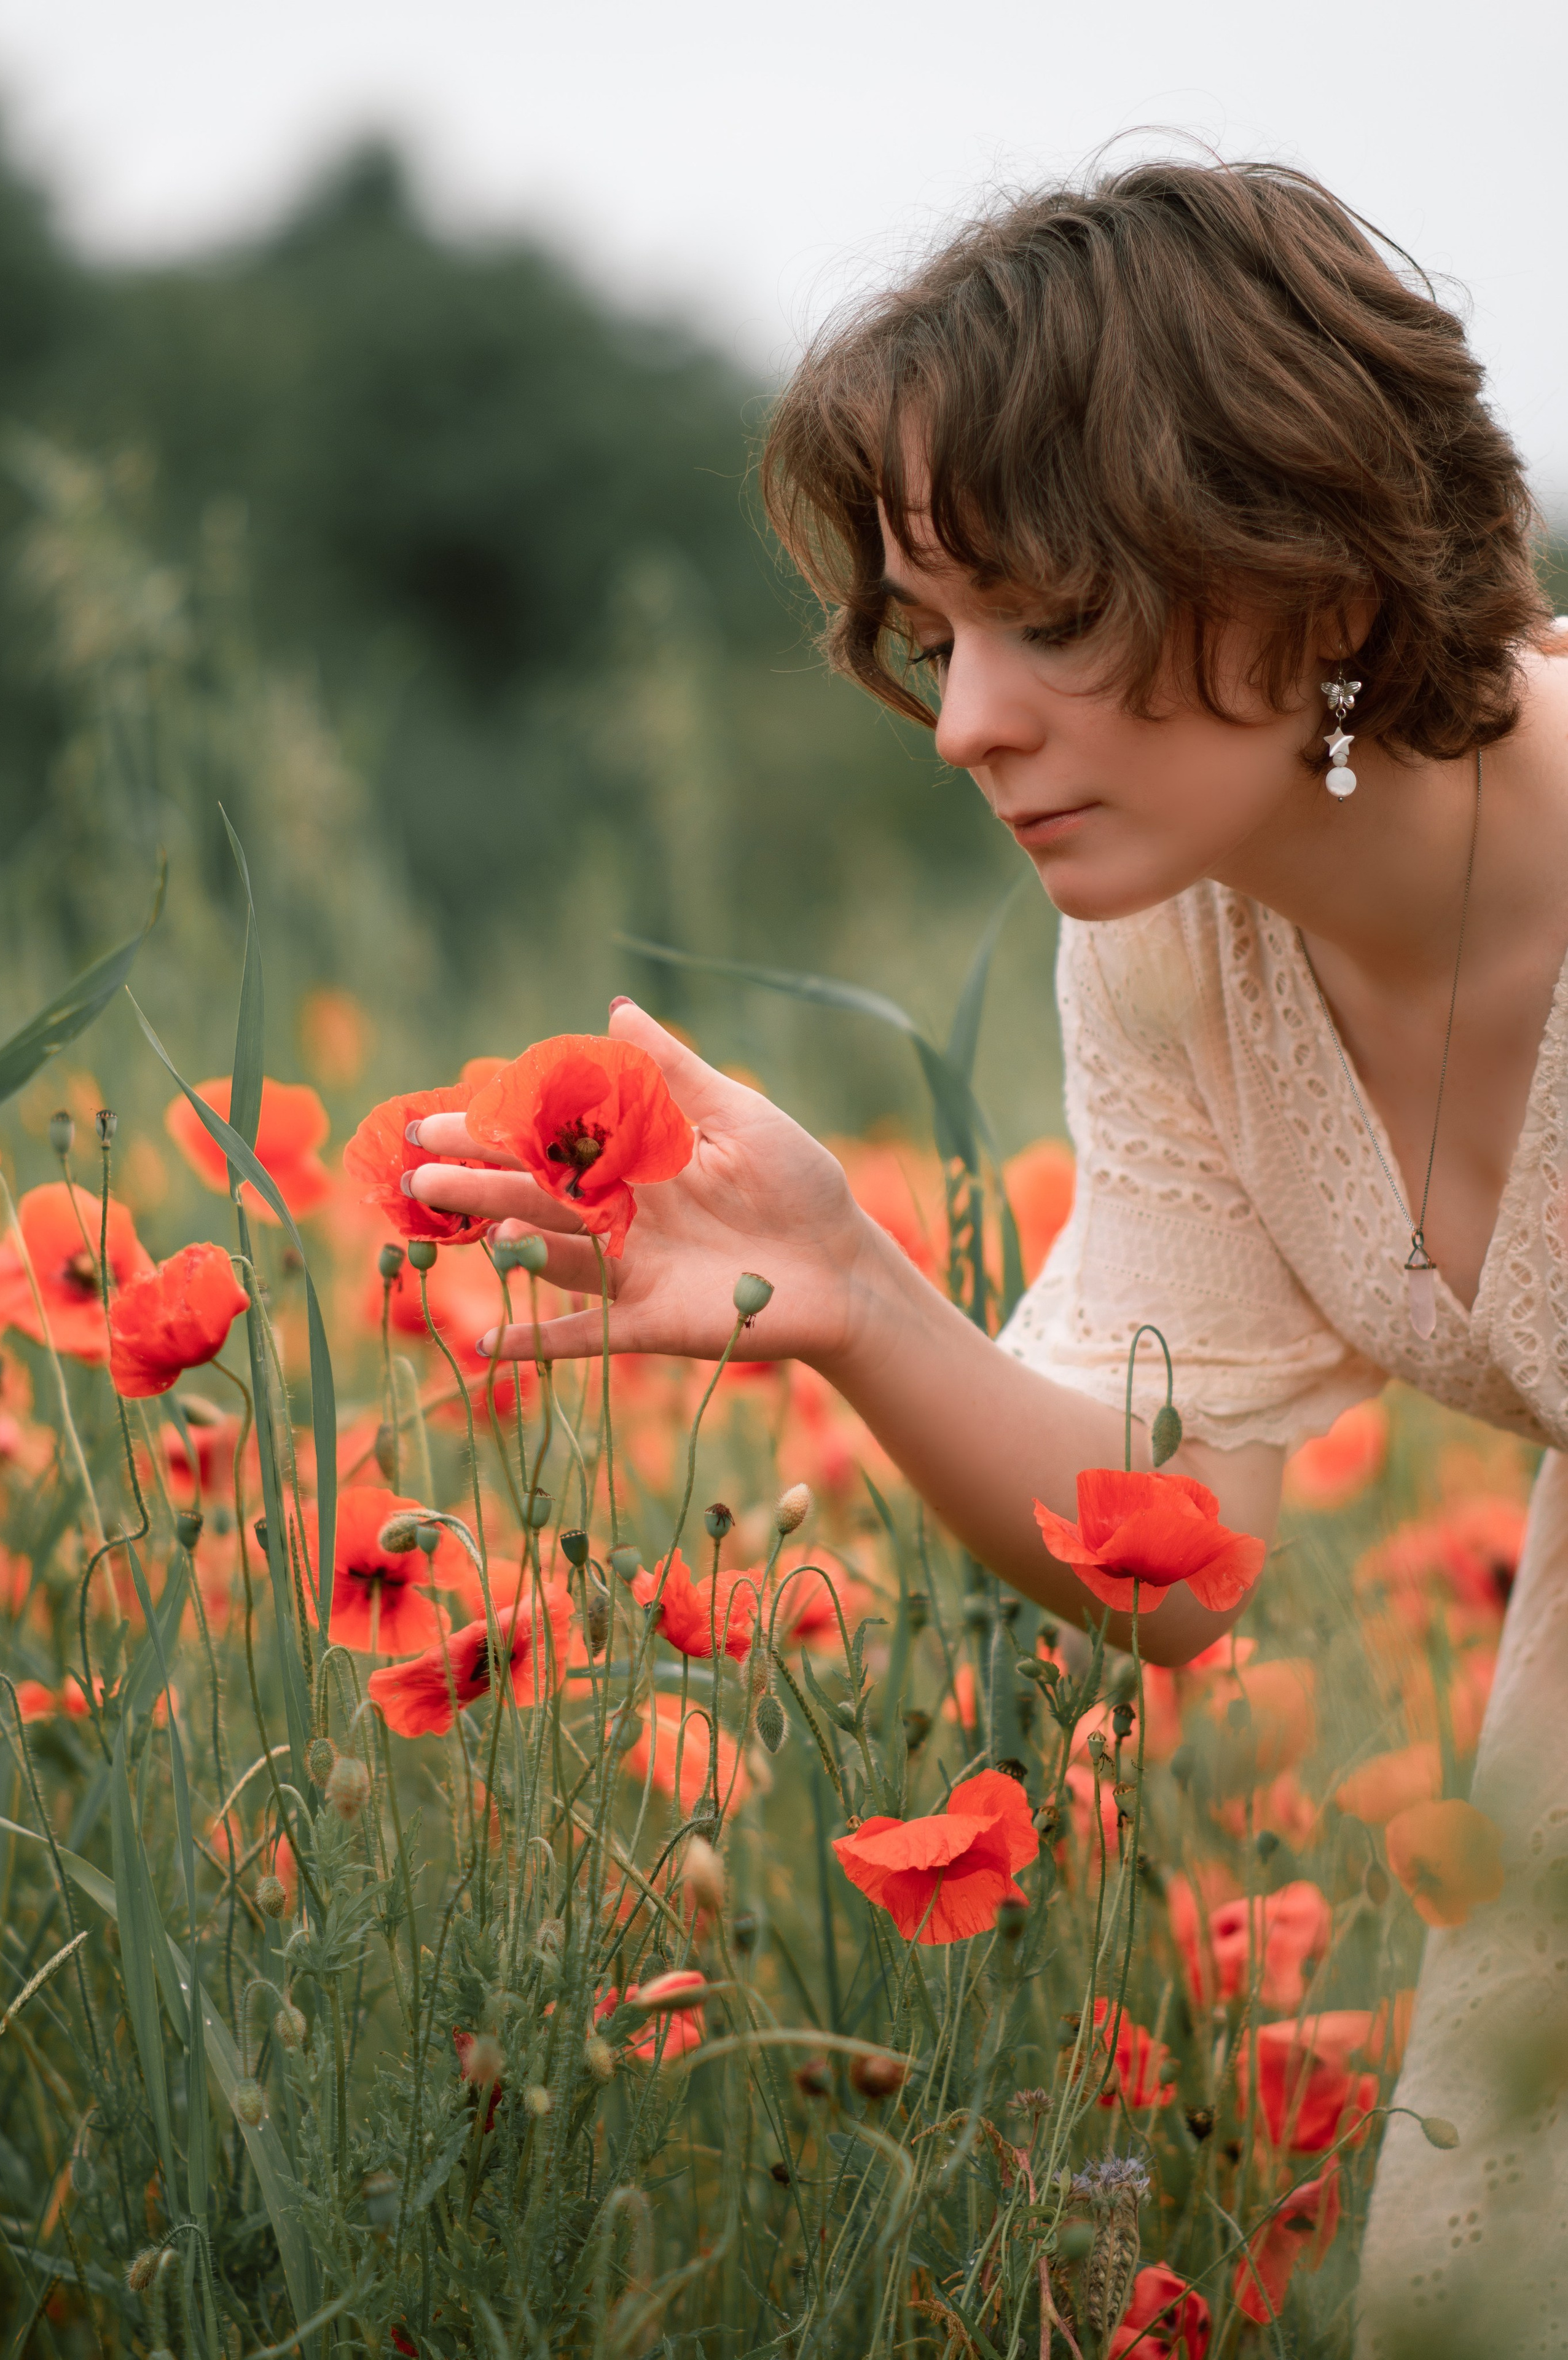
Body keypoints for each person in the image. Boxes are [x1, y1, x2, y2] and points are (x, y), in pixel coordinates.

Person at [406, 161, 1568, 2348]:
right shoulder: (1175, 965)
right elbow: (1185, 1545)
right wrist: (849, 1291)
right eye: (937, 643)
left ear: (1308, 572)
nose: (964, 729)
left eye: (1051, 622)